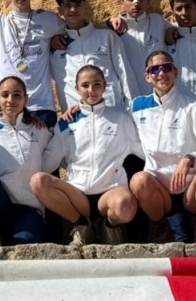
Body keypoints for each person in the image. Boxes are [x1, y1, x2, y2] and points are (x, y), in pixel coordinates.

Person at [32, 65, 141, 246]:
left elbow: (143, 151)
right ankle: (82, 225)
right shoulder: (67, 123)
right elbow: (47, 162)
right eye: (85, 85)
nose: (91, 90)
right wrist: (34, 128)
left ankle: (109, 227)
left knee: (126, 205)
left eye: (97, 84)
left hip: (110, 193)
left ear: (105, 86)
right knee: (38, 181)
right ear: (77, 89)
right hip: (78, 195)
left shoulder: (121, 119)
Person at [129, 51, 196, 242]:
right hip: (159, 190)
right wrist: (79, 108)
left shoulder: (195, 107)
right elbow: (114, 123)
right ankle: (163, 223)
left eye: (167, 67)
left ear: (176, 73)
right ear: (147, 77)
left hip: (191, 190)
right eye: (154, 69)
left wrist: (189, 159)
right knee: (138, 181)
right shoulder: (137, 106)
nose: (161, 73)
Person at [0, 77, 63, 247]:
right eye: (5, 95)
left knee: (27, 243)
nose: (10, 100)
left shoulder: (39, 129)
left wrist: (66, 121)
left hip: (28, 206)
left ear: (25, 99)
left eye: (17, 95)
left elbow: (56, 148)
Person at [50, 0, 135, 111]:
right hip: (75, 118)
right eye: (67, 6)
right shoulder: (54, 47)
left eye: (78, 5)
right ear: (60, 11)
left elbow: (125, 74)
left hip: (112, 111)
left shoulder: (107, 37)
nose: (73, 10)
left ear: (85, 7)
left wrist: (133, 108)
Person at [108, 0, 167, 99]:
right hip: (131, 99)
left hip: (162, 95)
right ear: (121, 2)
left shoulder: (158, 21)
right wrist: (108, 22)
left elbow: (185, 29)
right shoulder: (113, 29)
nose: (136, 2)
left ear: (148, 1)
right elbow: (92, 30)